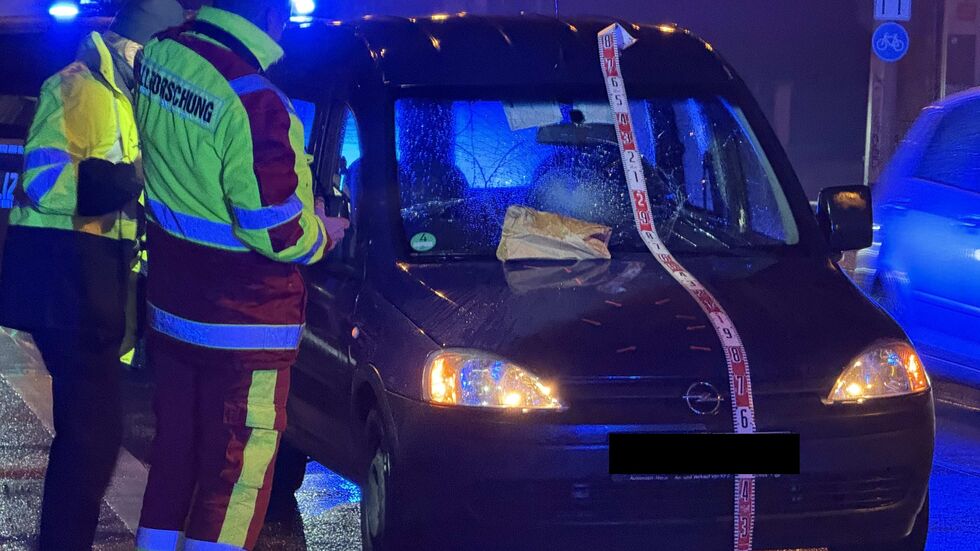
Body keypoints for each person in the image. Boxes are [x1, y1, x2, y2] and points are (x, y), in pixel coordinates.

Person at [132, 1, 349, 549]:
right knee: (235, 477)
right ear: (271, 16)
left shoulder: (162, 56)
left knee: (174, 457)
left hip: (174, 308)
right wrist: (324, 231)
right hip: (244, 324)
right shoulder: (257, 101)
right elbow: (277, 231)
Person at [0, 1, 186, 549]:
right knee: (93, 435)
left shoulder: (122, 98)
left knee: (91, 436)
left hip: (91, 287)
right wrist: (126, 183)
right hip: (67, 286)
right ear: (138, 47)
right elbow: (42, 181)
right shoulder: (78, 88)